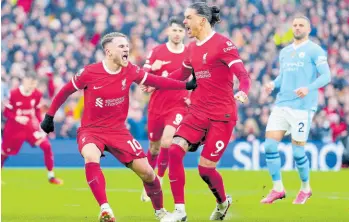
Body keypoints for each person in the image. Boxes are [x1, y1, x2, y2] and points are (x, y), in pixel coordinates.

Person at [40, 32, 197, 222]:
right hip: (92, 130)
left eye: (126, 46)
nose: (126, 49)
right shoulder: (89, 72)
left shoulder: (130, 70)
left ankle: (160, 212)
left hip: (118, 131)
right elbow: (65, 91)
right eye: (121, 46)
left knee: (147, 172)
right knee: (91, 155)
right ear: (108, 51)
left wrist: (185, 85)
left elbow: (156, 81)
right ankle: (105, 209)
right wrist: (49, 116)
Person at [160, 3, 251, 222]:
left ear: (202, 20)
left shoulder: (223, 44)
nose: (184, 22)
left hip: (222, 115)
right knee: (174, 150)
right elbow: (181, 73)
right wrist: (154, 81)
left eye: (188, 18)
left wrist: (243, 91)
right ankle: (180, 212)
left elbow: (243, 75)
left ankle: (222, 203)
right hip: (197, 112)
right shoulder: (191, 48)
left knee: (205, 170)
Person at [261, 15, 331, 204]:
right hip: (282, 104)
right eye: (295, 25)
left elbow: (326, 76)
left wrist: (309, 87)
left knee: (298, 152)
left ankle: (306, 189)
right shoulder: (285, 52)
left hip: (302, 107)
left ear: (308, 29)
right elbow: (283, 77)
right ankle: (277, 189)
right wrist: (272, 85)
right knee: (269, 146)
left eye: (301, 25)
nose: (297, 28)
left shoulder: (315, 50)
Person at [140, 16, 190, 202]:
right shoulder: (156, 52)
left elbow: (197, 79)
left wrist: (191, 97)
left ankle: (159, 178)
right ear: (168, 31)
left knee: (167, 141)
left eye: (180, 30)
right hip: (157, 106)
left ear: (184, 33)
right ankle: (149, 180)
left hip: (178, 105)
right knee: (153, 148)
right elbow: (142, 78)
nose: (177, 34)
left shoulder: (189, 53)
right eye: (174, 30)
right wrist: (153, 68)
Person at [2, 72, 63, 185]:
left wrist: (42, 125)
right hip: (13, 129)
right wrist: (17, 117)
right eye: (30, 84)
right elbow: (6, 112)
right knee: (4, 153)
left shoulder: (37, 94)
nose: (32, 87)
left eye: (34, 84)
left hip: (30, 128)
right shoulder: (13, 94)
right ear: (24, 81)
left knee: (47, 146)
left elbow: (37, 112)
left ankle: (51, 177)